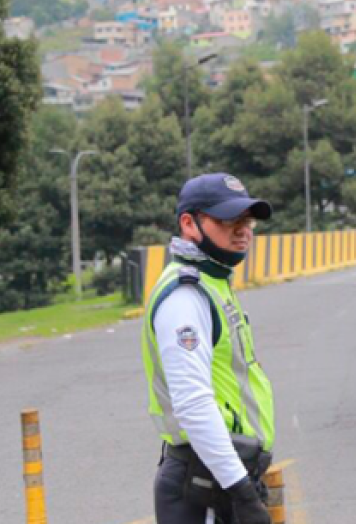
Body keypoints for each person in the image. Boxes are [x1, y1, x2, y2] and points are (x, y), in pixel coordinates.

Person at [141, 173, 276, 524]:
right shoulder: (185, 296)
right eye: (227, 220)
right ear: (189, 224)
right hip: (204, 487)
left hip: (220, 477)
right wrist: (241, 491)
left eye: (247, 221)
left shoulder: (212, 282)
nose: (243, 229)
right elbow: (194, 403)